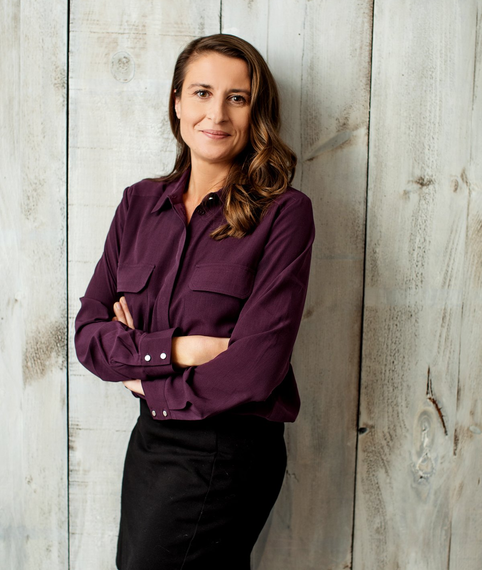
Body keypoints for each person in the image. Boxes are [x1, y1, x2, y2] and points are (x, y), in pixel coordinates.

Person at [75, 33, 315, 570]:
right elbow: (90, 333)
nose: (217, 114)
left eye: (238, 97)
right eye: (203, 93)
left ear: (257, 113)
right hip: (151, 442)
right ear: (177, 102)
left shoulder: (284, 214)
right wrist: (182, 350)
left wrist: (142, 367)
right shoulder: (138, 204)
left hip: (228, 448)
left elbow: (256, 369)